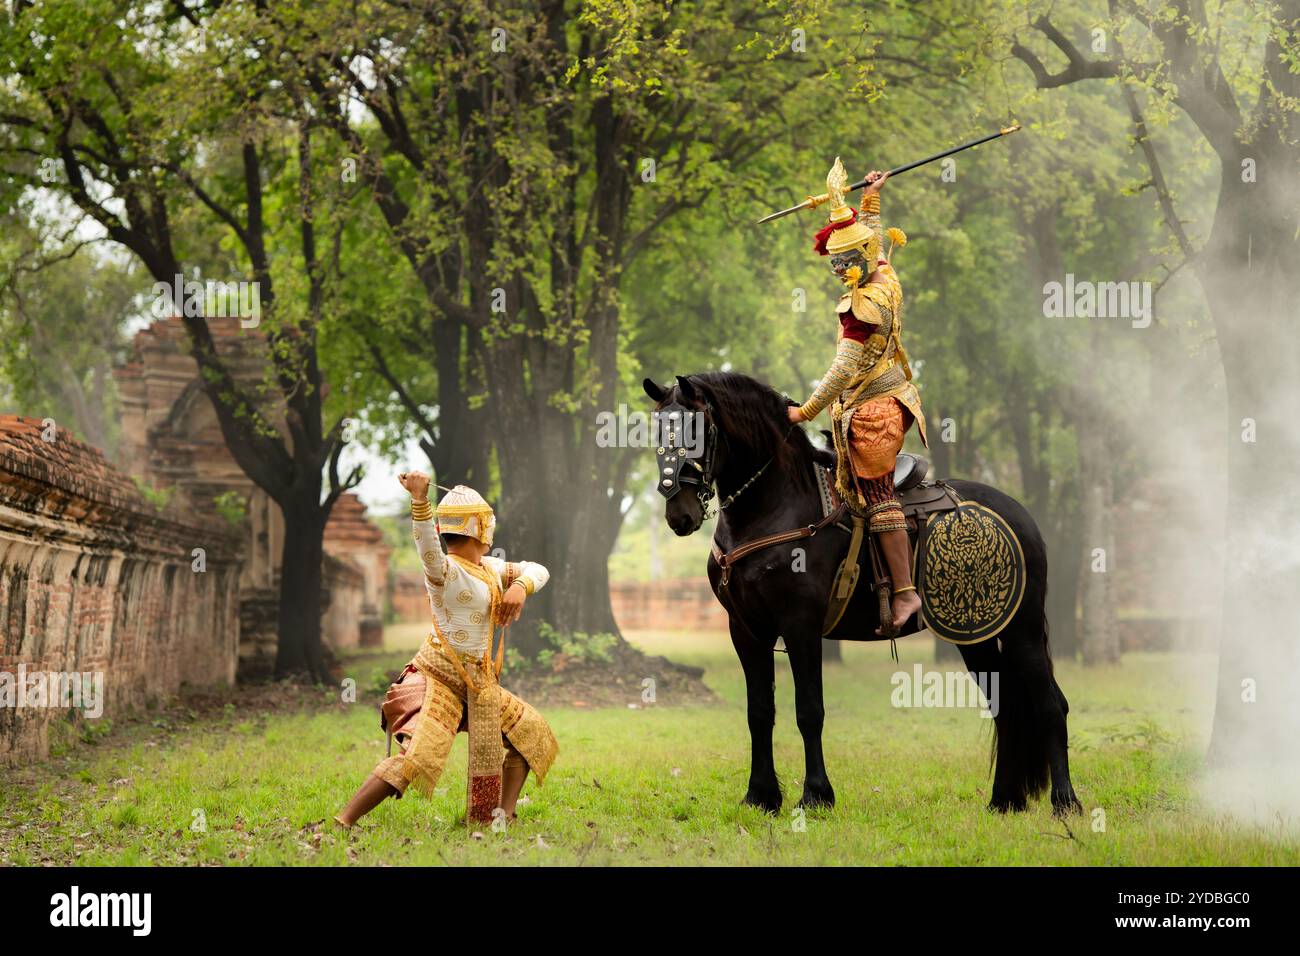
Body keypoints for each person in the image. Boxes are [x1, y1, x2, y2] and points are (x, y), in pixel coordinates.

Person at [334, 472, 558, 828]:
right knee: (415, 758)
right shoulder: (443, 570)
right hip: (438, 677)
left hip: (479, 684)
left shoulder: (489, 568)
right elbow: (425, 544)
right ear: (479, 528)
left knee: (530, 732)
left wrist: (521, 586)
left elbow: (538, 569)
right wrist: (420, 500)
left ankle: (502, 817)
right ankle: (344, 821)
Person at [787, 159, 927, 634]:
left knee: (876, 492)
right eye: (835, 262)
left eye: (843, 264)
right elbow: (870, 236)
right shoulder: (883, 277)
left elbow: (842, 369)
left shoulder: (861, 308)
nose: (838, 269)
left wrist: (803, 411)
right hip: (883, 395)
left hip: (874, 410)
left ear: (857, 266)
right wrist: (870, 196)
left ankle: (906, 594)